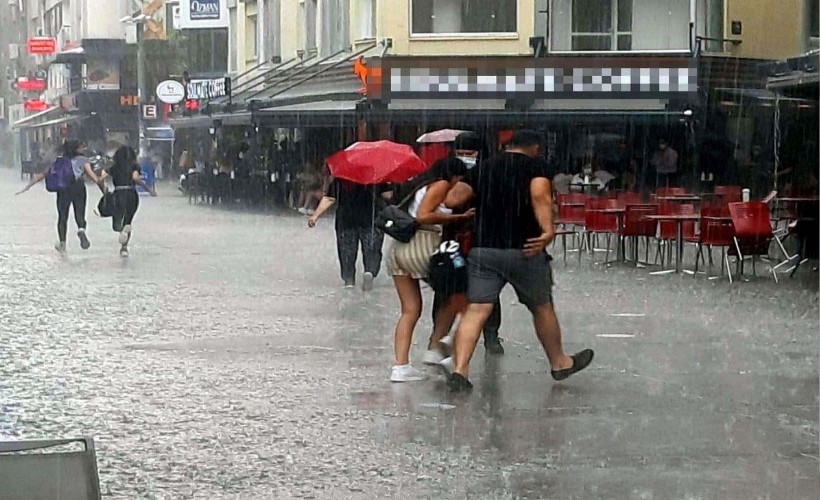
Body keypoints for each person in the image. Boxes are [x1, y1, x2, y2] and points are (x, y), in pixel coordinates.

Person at [442, 130, 594, 391]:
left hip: (484, 248)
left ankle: (461, 370)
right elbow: (539, 195)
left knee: (477, 309)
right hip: (525, 249)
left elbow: (452, 198)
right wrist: (547, 230)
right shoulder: (535, 167)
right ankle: (559, 363)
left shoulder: (484, 168)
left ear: (508, 145)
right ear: (534, 147)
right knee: (541, 306)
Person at [386, 157, 475, 382]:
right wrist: (459, 217)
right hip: (423, 245)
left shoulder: (419, 185)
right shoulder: (441, 184)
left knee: (410, 310)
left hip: (399, 250)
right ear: (454, 176)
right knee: (460, 293)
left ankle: (400, 367)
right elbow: (424, 215)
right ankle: (441, 346)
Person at [438, 131, 506, 356]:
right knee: (450, 287)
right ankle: (444, 336)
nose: (465, 158)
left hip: (483, 240)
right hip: (453, 241)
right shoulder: (447, 173)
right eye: (461, 153)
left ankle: (491, 335)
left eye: (470, 154)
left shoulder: (489, 174)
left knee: (487, 291)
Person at [16, 139, 104, 253]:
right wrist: (102, 186)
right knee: (80, 212)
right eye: (82, 147)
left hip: (63, 189)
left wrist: (27, 187)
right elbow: (92, 176)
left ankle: (62, 243)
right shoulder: (83, 160)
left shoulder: (58, 161)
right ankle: (81, 230)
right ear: (76, 149)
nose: (84, 149)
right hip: (78, 187)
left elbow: (42, 175)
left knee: (62, 216)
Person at [308, 178, 393, 290]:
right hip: (371, 218)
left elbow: (329, 198)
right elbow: (388, 196)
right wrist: (388, 184)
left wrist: (315, 215)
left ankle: (349, 280)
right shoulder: (376, 176)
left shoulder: (341, 179)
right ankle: (370, 272)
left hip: (346, 218)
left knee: (346, 251)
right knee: (372, 248)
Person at [98, 146, 157, 257]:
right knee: (128, 220)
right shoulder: (134, 166)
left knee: (118, 219)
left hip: (118, 193)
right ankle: (124, 248)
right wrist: (148, 189)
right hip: (131, 194)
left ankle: (120, 229)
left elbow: (100, 179)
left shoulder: (113, 167)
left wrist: (104, 191)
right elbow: (135, 178)